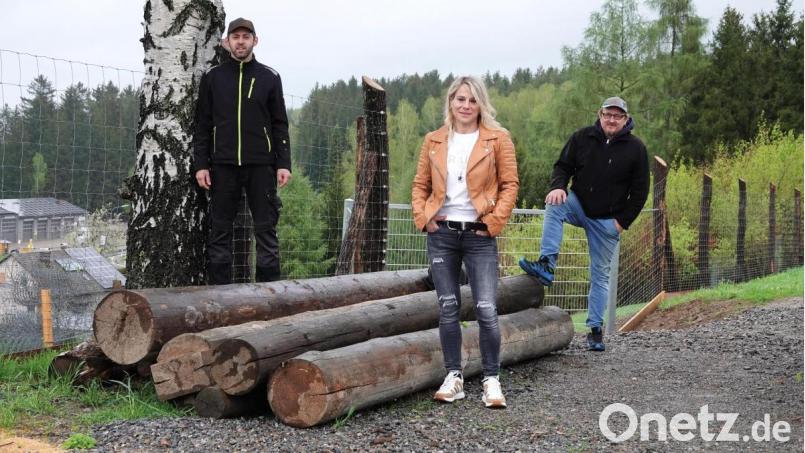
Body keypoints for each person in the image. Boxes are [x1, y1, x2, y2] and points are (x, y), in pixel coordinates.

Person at [411, 76, 519, 408]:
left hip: (479, 234)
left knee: (486, 308)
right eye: (460, 99)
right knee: (448, 308)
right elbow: (420, 186)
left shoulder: (498, 139)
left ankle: (491, 379)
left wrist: (494, 222)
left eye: (472, 100)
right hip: (442, 234)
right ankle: (454, 376)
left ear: (481, 104)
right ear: (451, 102)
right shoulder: (433, 141)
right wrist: (424, 217)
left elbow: (510, 185)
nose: (466, 106)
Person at [519, 96, 649, 352]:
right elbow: (562, 166)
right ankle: (546, 264)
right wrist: (558, 187)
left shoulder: (636, 149)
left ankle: (595, 330)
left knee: (600, 275)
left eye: (617, 116)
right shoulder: (582, 137)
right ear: (600, 114)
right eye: (607, 114)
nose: (611, 120)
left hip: (607, 221)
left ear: (626, 119)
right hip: (579, 204)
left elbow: (641, 190)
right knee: (554, 203)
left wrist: (621, 223)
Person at [193, 18, 291, 284]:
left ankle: (270, 299)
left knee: (266, 232)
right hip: (222, 166)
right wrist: (201, 164)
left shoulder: (270, 77)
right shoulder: (213, 78)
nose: (240, 41)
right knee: (220, 233)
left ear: (254, 41)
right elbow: (203, 124)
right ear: (227, 42)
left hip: (262, 166)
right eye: (235, 37)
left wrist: (284, 163)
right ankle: (219, 298)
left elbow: (280, 124)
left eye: (245, 37)